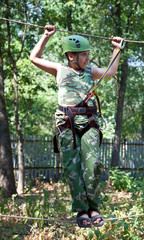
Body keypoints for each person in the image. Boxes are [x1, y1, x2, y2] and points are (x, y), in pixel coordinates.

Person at [30, 25, 123, 228]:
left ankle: (94, 207)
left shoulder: (90, 71)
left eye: (88, 54)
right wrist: (46, 36)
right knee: (72, 169)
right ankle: (81, 210)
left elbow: (111, 71)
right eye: (84, 55)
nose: (88, 58)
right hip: (67, 125)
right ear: (71, 56)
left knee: (93, 166)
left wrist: (117, 49)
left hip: (89, 123)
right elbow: (34, 58)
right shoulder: (60, 70)